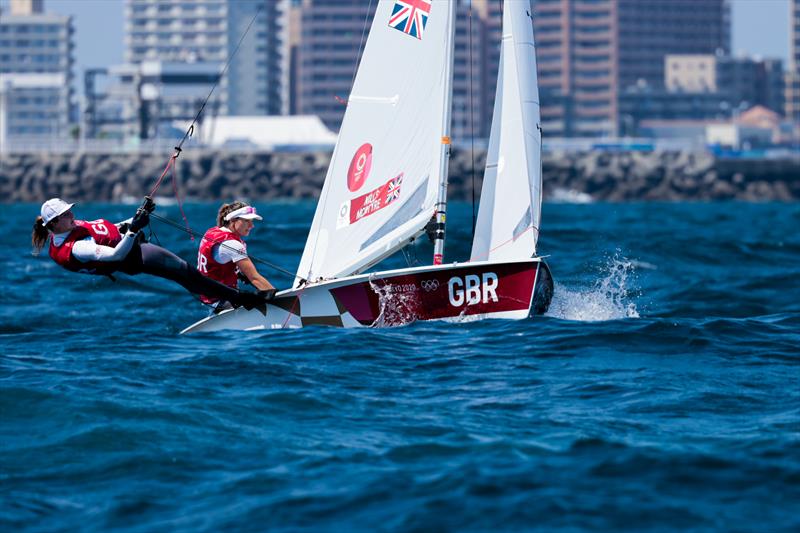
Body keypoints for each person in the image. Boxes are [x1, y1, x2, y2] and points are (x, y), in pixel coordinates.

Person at [31, 197, 267, 310]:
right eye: (65, 215)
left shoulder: (69, 226)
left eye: (70, 211)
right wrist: (134, 230)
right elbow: (114, 255)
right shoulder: (76, 247)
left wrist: (133, 219)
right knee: (185, 273)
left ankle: (223, 301)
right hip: (132, 257)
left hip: (131, 245)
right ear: (54, 224)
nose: (71, 215)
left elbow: (110, 230)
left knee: (186, 274)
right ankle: (241, 300)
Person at [197, 201, 277, 313]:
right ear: (233, 220)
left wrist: (239, 273)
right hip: (222, 302)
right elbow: (255, 278)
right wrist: (278, 299)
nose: (251, 226)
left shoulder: (212, 232)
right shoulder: (233, 244)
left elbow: (215, 265)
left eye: (252, 221)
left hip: (210, 300)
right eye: (246, 221)